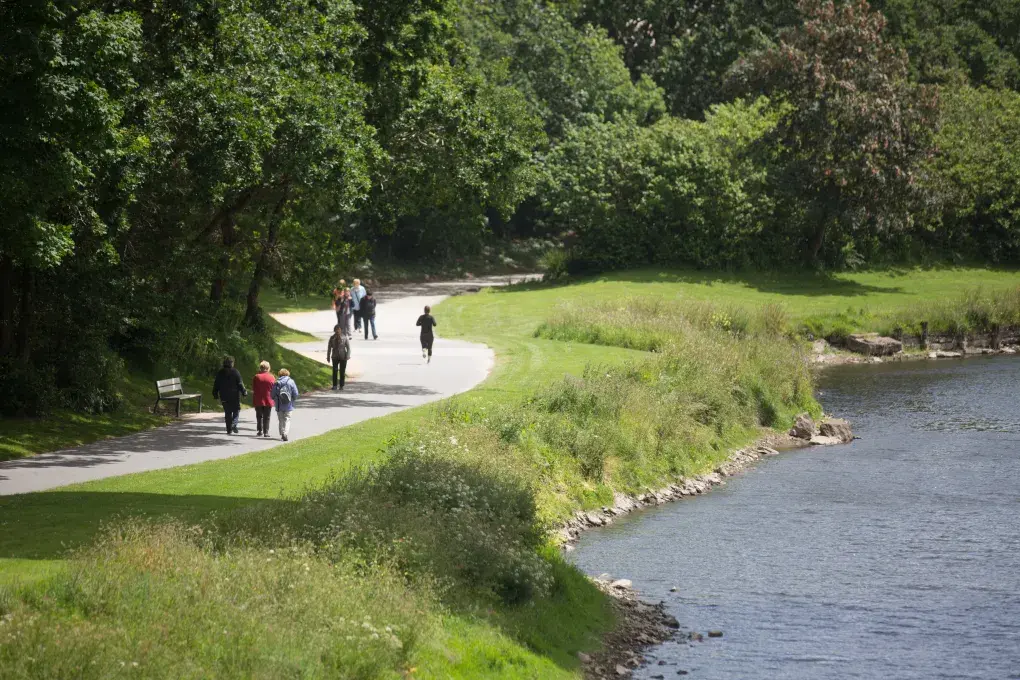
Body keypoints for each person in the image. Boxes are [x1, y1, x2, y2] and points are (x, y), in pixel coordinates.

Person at [212, 356, 246, 435]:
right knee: (236, 410)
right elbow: (240, 383)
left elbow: (216, 384)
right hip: (234, 395)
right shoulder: (235, 372)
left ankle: (229, 430)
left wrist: (215, 394)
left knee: (227, 412)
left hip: (223, 395)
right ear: (232, 363)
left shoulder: (220, 372)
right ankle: (234, 424)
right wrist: (244, 392)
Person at [271, 368, 299, 441]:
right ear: (288, 374)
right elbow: (295, 393)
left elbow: (272, 394)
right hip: (289, 404)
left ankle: (282, 433)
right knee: (287, 419)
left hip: (279, 405)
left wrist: (274, 398)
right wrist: (293, 399)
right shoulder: (291, 382)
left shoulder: (276, 382)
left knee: (281, 420)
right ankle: (285, 433)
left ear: (279, 374)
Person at [252, 360, 275, 437]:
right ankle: (266, 432)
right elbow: (273, 388)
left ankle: (259, 430)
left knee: (259, 416)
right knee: (267, 416)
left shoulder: (256, 376)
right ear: (268, 368)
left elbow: (254, 388)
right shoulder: (271, 377)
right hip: (268, 399)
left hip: (258, 399)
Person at [326, 324, 351, 391]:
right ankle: (334, 385)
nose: (337, 331)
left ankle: (341, 385)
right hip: (335, 356)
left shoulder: (344, 337)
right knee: (335, 371)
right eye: (336, 329)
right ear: (334, 330)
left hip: (343, 357)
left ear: (341, 330)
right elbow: (329, 348)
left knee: (342, 371)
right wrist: (328, 356)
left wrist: (348, 356)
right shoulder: (332, 338)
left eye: (339, 329)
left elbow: (348, 348)